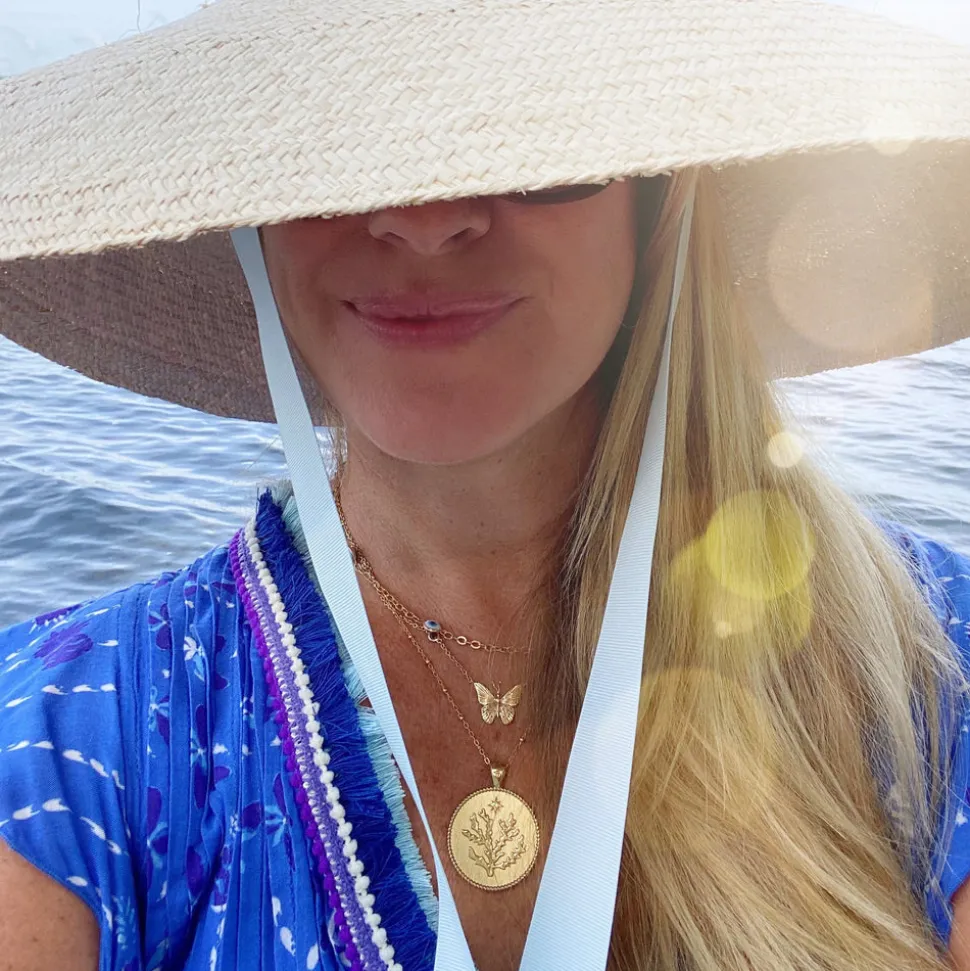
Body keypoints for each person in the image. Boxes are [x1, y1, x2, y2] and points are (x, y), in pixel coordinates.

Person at [1, 1, 970, 970]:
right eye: (328, 141)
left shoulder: (930, 668)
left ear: (660, 199)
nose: (424, 218)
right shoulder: (66, 739)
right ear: (255, 221)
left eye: (535, 134)